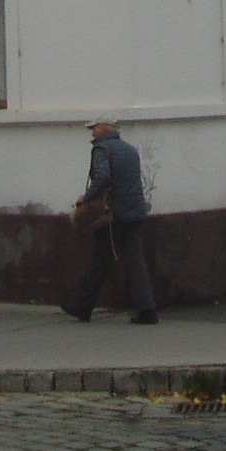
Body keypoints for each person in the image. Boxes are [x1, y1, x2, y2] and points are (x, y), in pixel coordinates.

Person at [61, 117, 157, 325]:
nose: (92, 133)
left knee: (100, 260)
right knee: (136, 262)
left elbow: (103, 178)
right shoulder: (129, 149)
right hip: (136, 211)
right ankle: (148, 309)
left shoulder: (102, 150)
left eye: (94, 129)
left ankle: (83, 307)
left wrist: (86, 197)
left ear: (104, 129)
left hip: (113, 214)